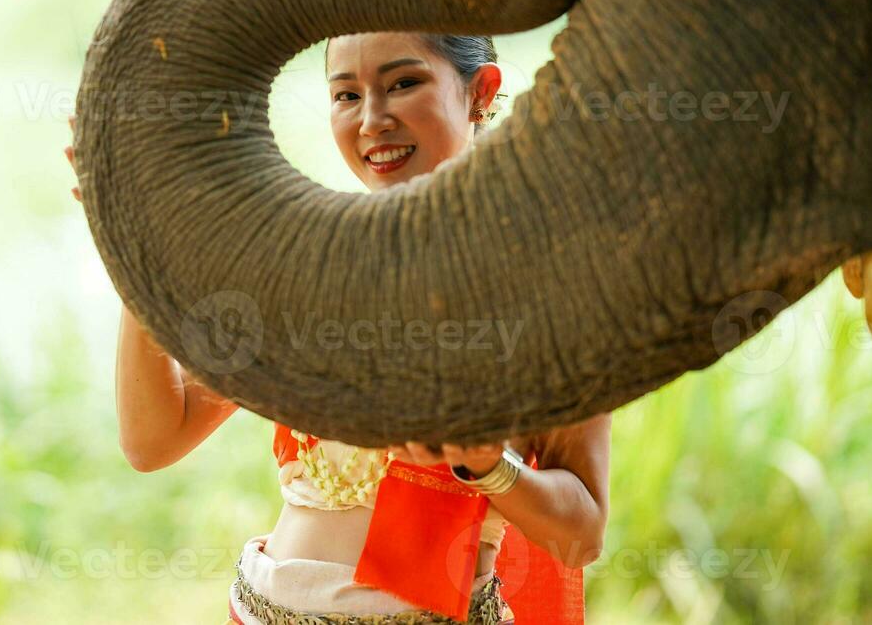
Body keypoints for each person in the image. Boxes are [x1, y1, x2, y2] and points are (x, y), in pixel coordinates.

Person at [66, 31, 611, 624]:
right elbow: (153, 440)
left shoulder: (548, 286)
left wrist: (487, 466)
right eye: (346, 95)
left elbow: (579, 538)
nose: (373, 120)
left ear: (480, 92)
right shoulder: (308, 263)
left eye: (404, 83)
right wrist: (134, 254)